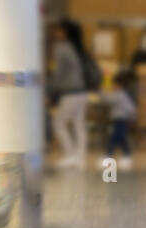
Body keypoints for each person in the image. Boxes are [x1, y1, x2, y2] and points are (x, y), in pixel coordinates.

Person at [49, 19, 94, 168]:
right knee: (78, 125)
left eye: (59, 29)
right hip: (83, 92)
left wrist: (51, 90)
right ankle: (79, 157)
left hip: (70, 93)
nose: (56, 32)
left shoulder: (61, 48)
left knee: (58, 123)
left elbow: (59, 73)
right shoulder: (79, 47)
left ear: (65, 32)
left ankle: (69, 155)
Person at [104, 71, 137, 170]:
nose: (112, 87)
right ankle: (125, 155)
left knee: (116, 137)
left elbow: (108, 100)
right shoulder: (122, 95)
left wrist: (100, 93)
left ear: (119, 85)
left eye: (113, 85)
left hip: (121, 119)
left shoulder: (119, 95)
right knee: (120, 137)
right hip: (120, 119)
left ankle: (109, 155)